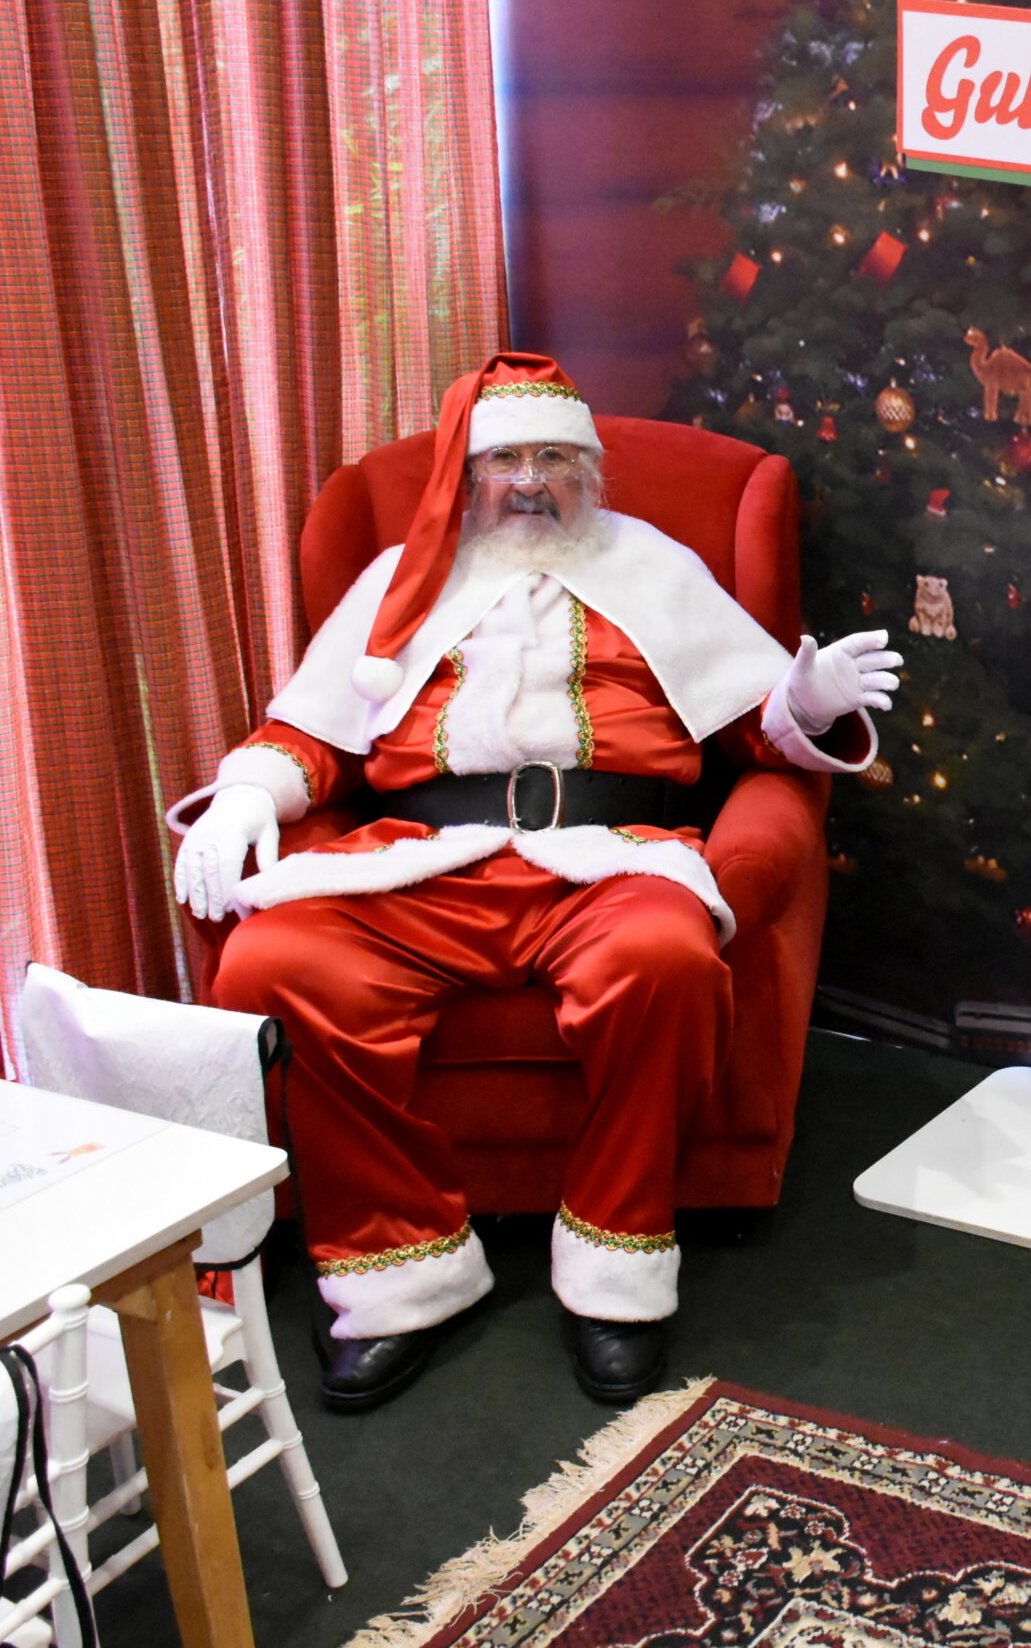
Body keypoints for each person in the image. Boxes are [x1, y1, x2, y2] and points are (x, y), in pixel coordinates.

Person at [169, 353, 900, 1411]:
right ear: (468, 474)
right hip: (419, 865)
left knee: (665, 960)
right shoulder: (400, 580)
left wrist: (810, 698)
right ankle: (402, 1271)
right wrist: (248, 793)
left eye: (554, 456)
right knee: (277, 962)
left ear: (590, 472)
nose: (528, 479)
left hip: (607, 860)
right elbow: (311, 731)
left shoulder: (655, 568)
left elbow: (755, 726)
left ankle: (615, 1268)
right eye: (505, 456)